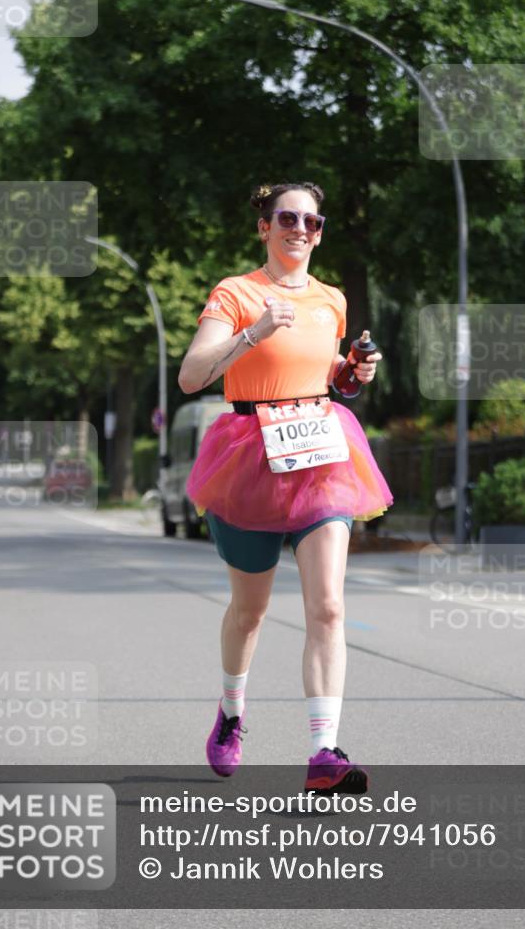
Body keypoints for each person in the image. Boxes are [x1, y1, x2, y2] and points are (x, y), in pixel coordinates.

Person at [178, 181, 393, 793]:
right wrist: (253, 332)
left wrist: (352, 374)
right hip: (249, 455)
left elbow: (325, 377)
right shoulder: (236, 293)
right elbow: (192, 376)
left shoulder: (332, 299)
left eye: (313, 221)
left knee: (327, 606)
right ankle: (231, 712)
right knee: (250, 612)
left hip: (321, 452)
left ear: (320, 231)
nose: (301, 228)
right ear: (265, 227)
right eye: (288, 218)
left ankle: (324, 752)